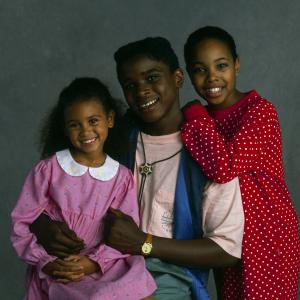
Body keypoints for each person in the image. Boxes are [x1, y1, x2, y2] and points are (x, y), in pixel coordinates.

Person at [30, 38, 244, 299]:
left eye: (153, 77)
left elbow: (227, 250)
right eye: (130, 85)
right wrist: (43, 226)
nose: (142, 91)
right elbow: (47, 191)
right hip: (99, 264)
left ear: (177, 78)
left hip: (168, 275)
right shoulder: (110, 139)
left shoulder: (209, 151)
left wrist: (144, 243)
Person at [181, 26, 300, 299]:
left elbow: (223, 167)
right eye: (200, 70)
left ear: (236, 64)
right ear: (188, 74)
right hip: (227, 236)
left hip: (267, 233)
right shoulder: (203, 121)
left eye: (221, 65)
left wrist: (194, 114)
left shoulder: (260, 111)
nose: (212, 77)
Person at [11, 77, 156, 300]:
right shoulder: (48, 170)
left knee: (134, 288)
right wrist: (46, 262)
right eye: (75, 125)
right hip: (61, 266)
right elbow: (22, 223)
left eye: (93, 121)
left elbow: (124, 233)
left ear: (109, 120)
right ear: (65, 128)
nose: (85, 131)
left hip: (106, 263)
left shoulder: (122, 178)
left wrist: (93, 262)